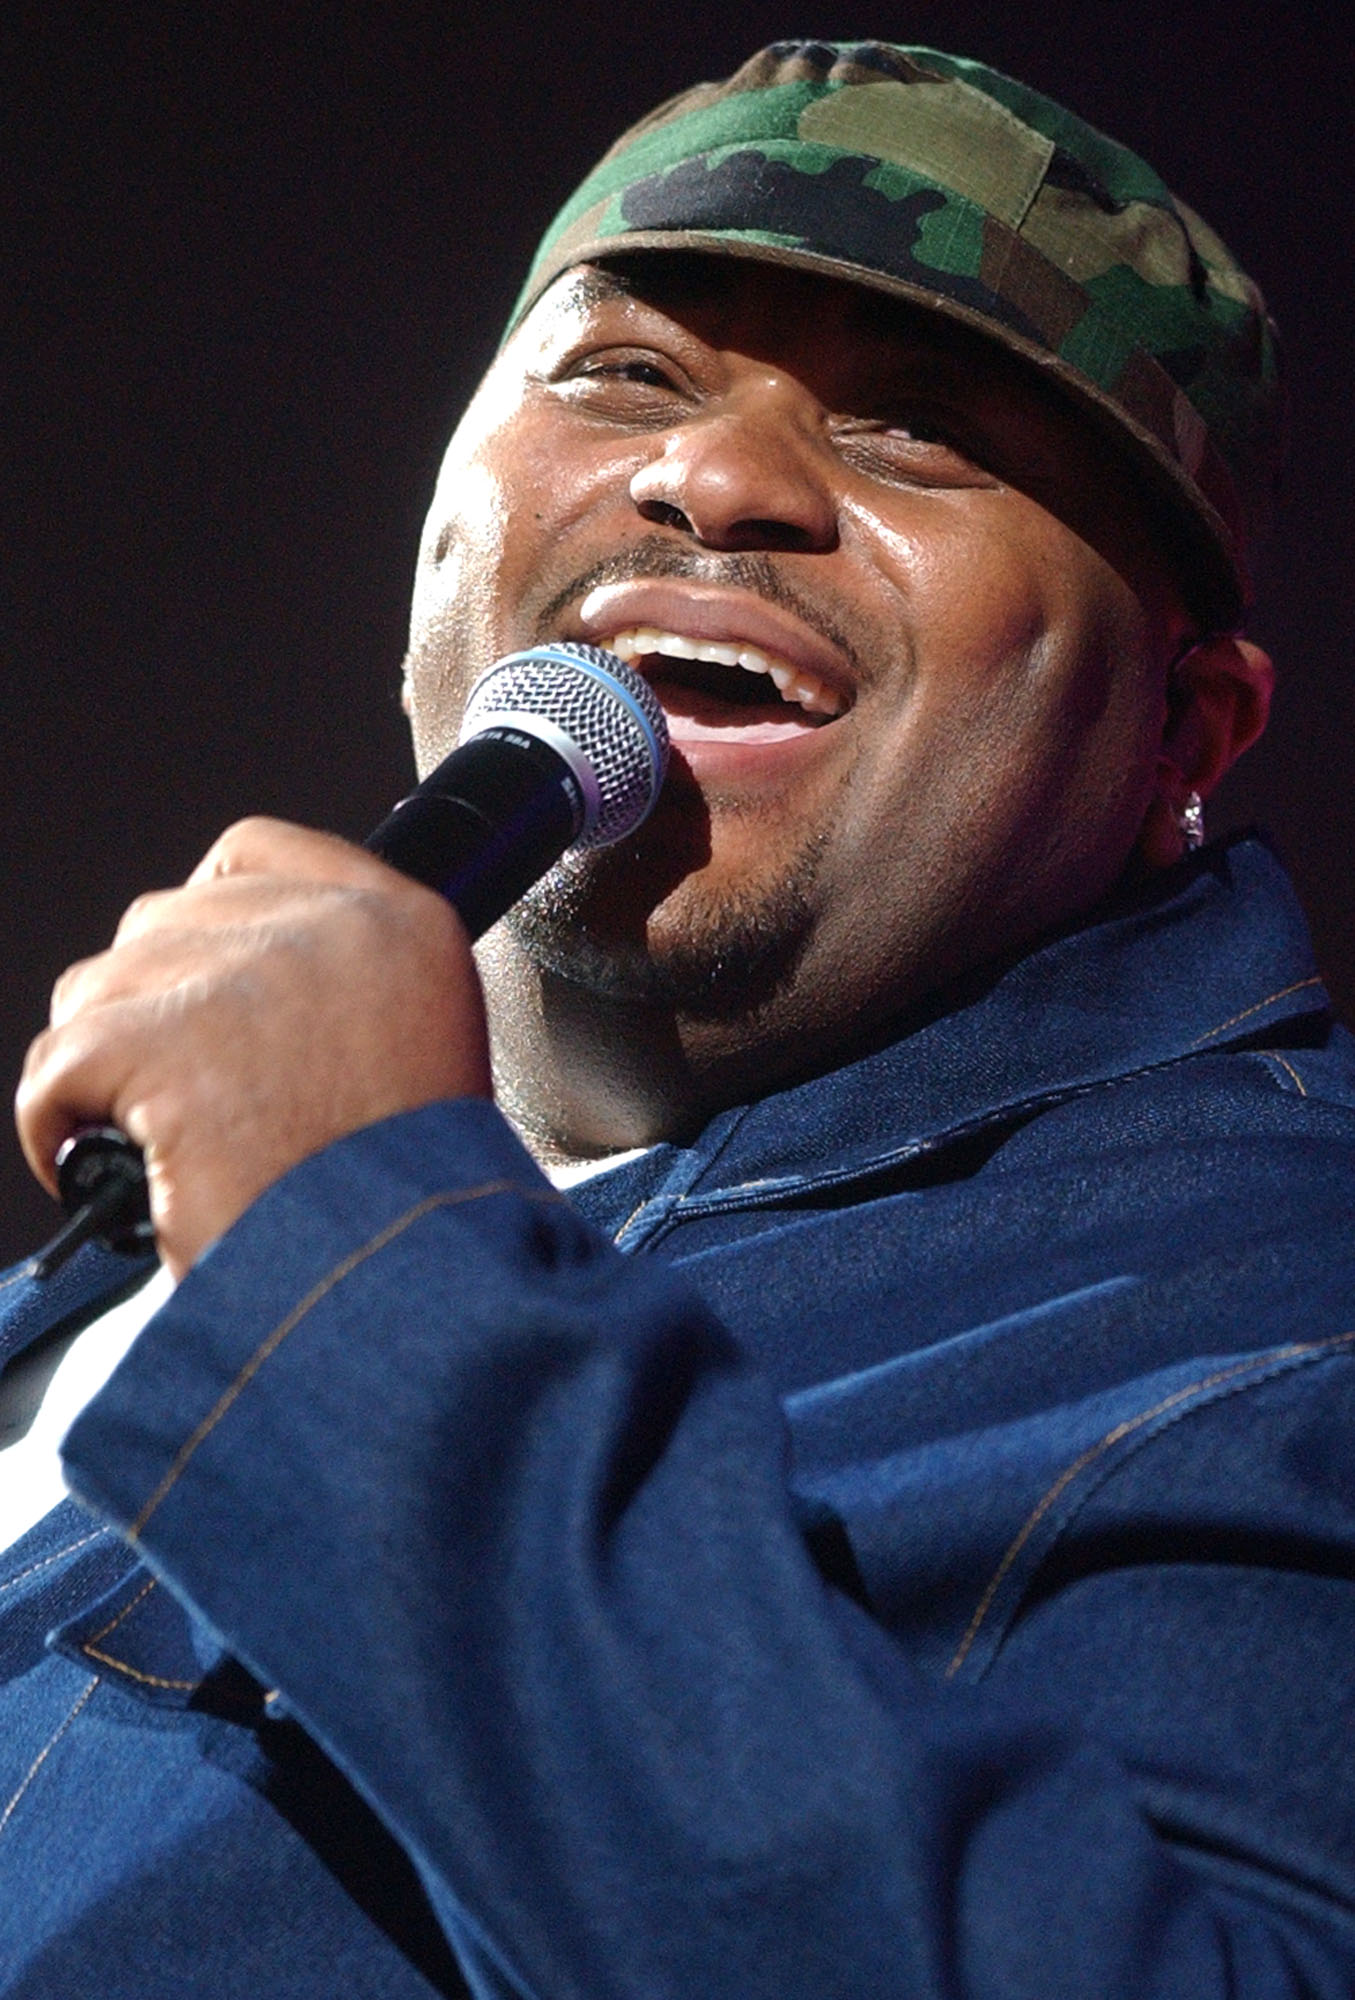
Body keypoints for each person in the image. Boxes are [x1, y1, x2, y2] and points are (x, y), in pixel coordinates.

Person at [3, 37, 1354, 1998]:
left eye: (921, 431)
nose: (714, 475)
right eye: (625, 372)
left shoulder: (1281, 1321)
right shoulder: (141, 1238)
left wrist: (362, 1275)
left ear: (1185, 731)